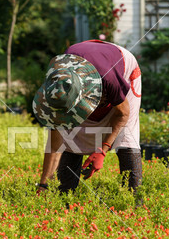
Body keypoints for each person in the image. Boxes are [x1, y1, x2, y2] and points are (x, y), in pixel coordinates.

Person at [32, 40, 142, 195]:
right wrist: (43, 184)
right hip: (84, 63)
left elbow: (122, 114)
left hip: (122, 68)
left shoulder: (108, 78)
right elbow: (55, 145)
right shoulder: (57, 87)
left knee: (127, 136)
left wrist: (103, 149)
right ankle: (65, 195)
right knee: (71, 132)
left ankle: (134, 198)